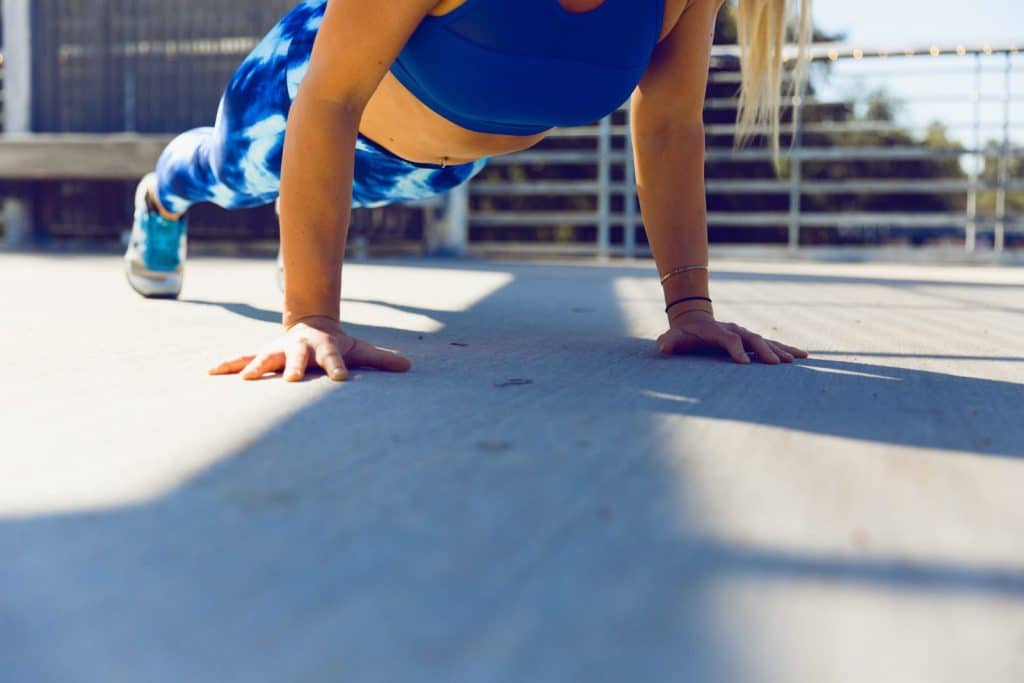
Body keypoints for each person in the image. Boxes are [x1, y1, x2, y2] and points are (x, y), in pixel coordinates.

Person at [122, 0, 812, 382]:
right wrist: (313, 316)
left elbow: (667, 127)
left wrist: (690, 307)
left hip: (434, 169)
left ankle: (301, 230)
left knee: (331, 199)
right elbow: (329, 100)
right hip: (297, 100)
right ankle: (159, 200)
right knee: (222, 172)